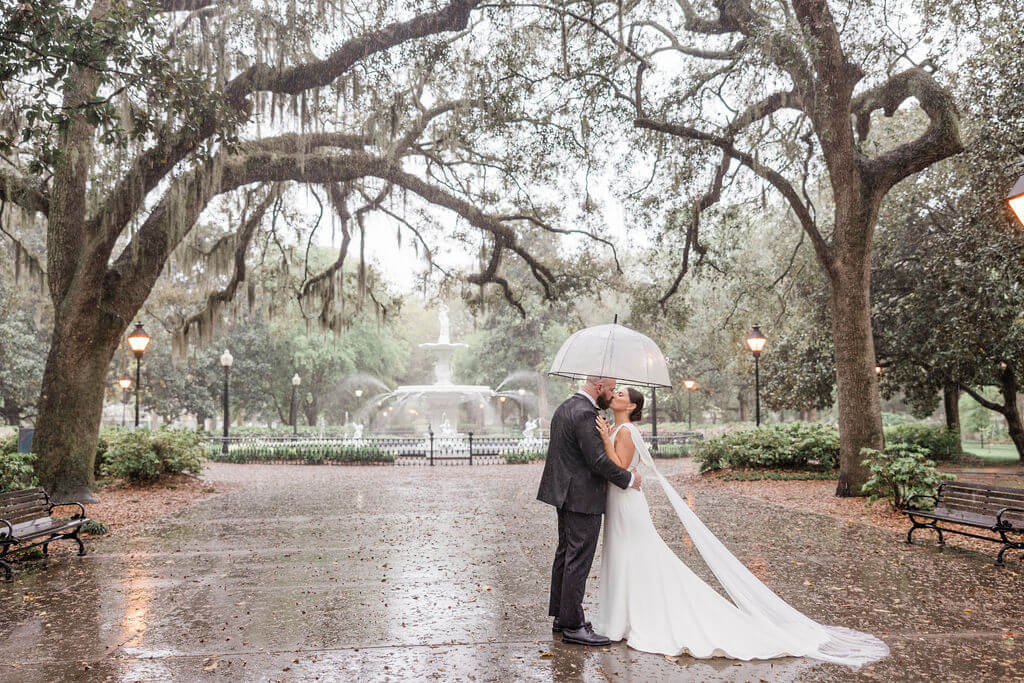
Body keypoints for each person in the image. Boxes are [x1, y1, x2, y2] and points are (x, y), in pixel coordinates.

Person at [590, 387, 889, 667]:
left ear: (631, 406)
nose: (615, 395)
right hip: (618, 501)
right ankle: (622, 617)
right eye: (615, 392)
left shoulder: (626, 430)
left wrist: (605, 439)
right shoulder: (616, 428)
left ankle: (632, 618)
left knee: (634, 555)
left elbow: (620, 467)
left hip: (627, 503)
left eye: (620, 394)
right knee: (625, 557)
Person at [536, 376, 642, 646]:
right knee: (578, 558)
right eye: (610, 390)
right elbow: (597, 461)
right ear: (599, 388)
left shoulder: (565, 407)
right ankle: (573, 626)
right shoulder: (585, 414)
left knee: (566, 554)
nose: (611, 395)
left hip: (564, 493)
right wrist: (628, 480)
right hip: (582, 497)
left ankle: (563, 616)